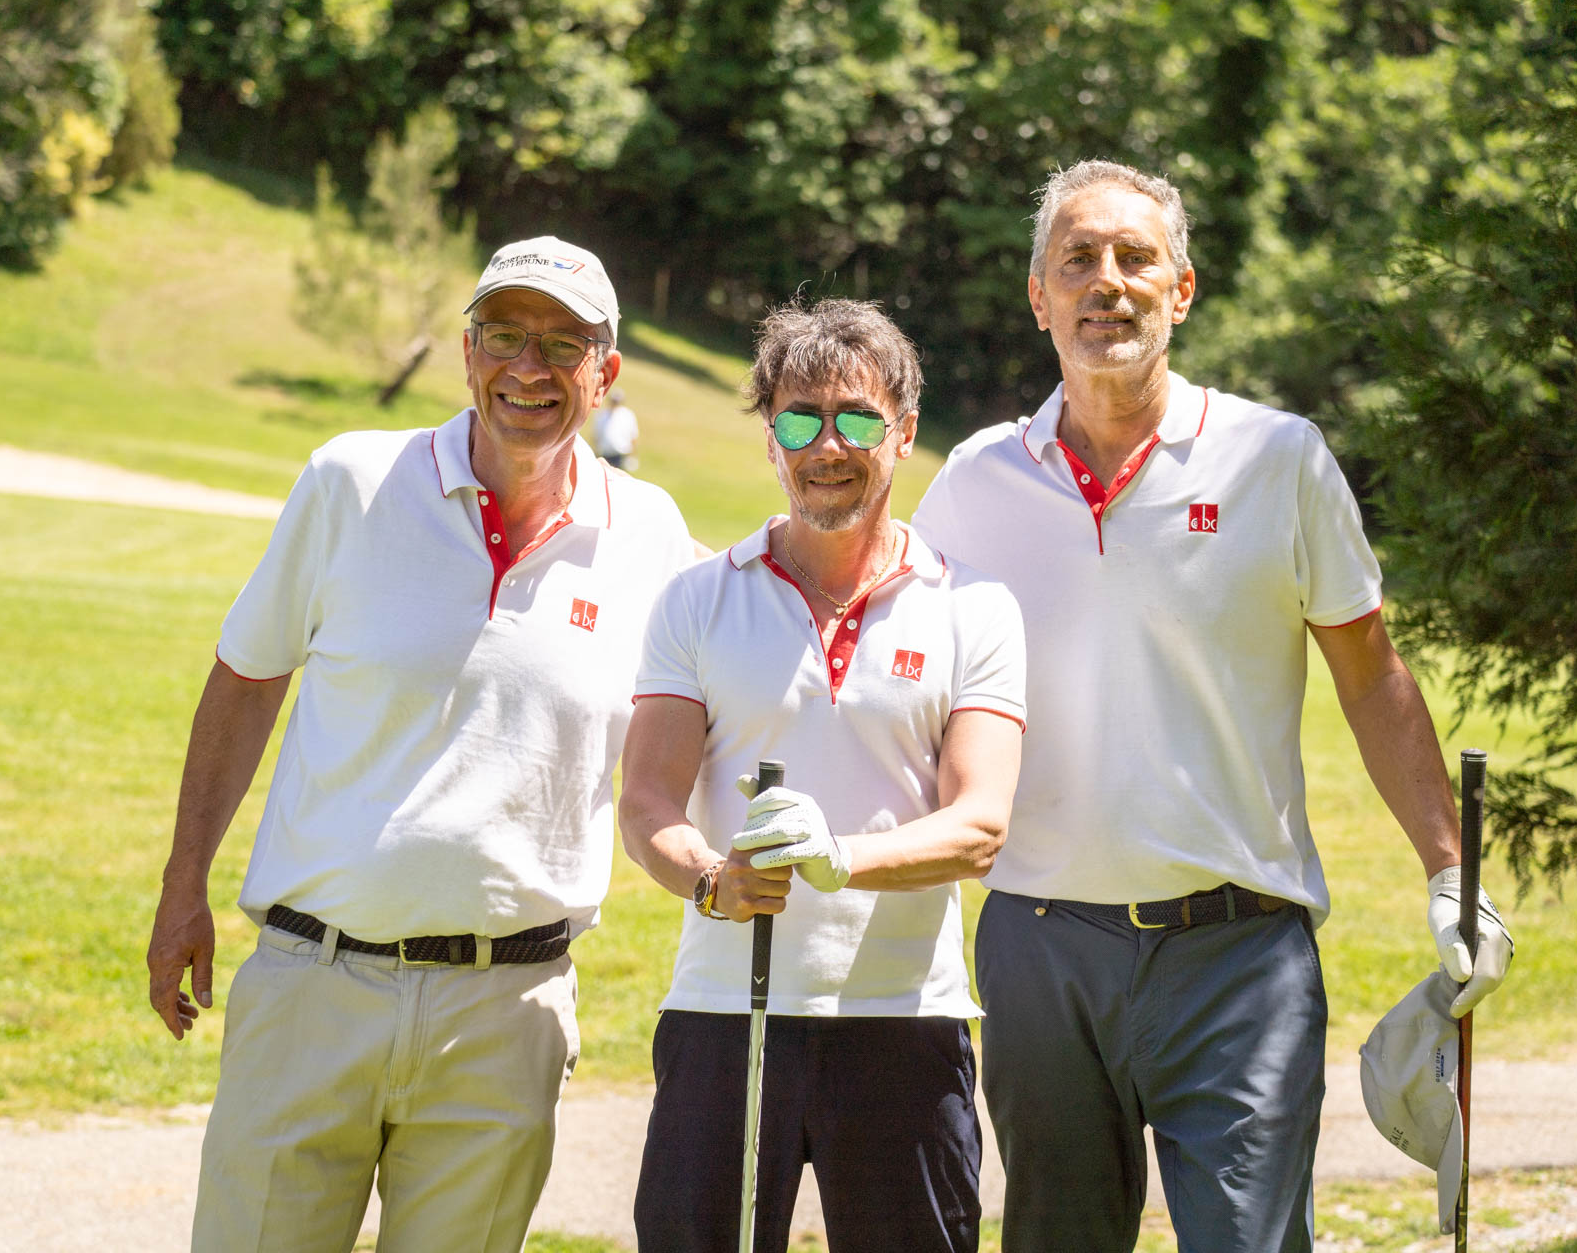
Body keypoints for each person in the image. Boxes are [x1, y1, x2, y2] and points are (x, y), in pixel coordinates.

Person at [911, 159, 1517, 1251]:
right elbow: (909, 687)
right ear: (1039, 296)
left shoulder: (1278, 459)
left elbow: (1372, 674)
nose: (1108, 281)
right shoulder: (972, 482)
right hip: (1039, 947)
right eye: (1077, 261)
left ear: (1181, 289)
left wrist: (1447, 872)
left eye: (1135, 257)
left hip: (1239, 957)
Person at [144, 236, 694, 1253]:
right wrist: (184, 886)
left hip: (508, 1011)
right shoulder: (349, 479)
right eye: (504, 335)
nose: (528, 367)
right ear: (467, 350)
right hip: (313, 984)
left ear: (606, 371)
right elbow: (246, 680)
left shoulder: (652, 535)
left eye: (562, 345)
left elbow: (732, 683)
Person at [618, 298, 1027, 1253]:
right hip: (726, 1013)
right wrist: (711, 879)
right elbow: (645, 802)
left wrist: (839, 858)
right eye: (800, 421)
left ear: (906, 433)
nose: (828, 446)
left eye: (858, 421)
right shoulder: (697, 600)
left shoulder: (974, 607)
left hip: (904, 1019)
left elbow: (980, 824)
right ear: (771, 438)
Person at [594, 386, 640, 470]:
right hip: (604, 455)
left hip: (620, 455)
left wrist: (632, 456)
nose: (614, 403)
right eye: (613, 401)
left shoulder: (627, 415)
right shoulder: (602, 414)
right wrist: (596, 452)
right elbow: (596, 435)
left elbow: (633, 437)